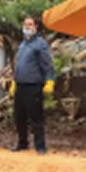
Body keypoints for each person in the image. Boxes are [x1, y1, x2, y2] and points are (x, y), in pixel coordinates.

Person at [9, 17, 55, 155]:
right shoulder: (23, 45)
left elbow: (47, 64)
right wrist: (14, 82)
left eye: (30, 25)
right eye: (25, 25)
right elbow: (18, 65)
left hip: (33, 85)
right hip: (20, 85)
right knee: (19, 116)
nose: (27, 27)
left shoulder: (40, 44)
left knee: (36, 117)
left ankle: (40, 146)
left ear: (36, 27)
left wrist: (50, 80)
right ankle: (22, 143)